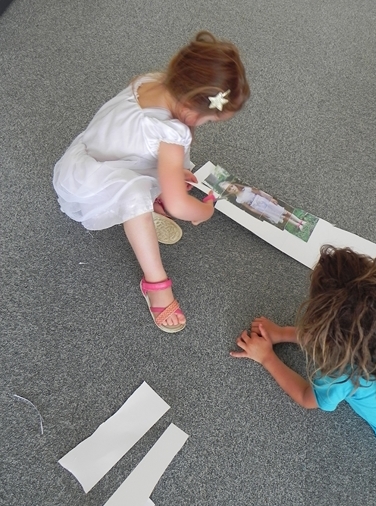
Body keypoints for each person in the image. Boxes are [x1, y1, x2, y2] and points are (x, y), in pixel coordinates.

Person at [53, 31, 250, 333]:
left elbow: (134, 141)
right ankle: (155, 283)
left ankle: (155, 191)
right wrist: (203, 211)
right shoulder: (171, 132)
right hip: (89, 183)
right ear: (191, 109)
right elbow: (178, 206)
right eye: (209, 120)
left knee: (165, 171)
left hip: (90, 157)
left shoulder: (153, 81)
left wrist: (170, 174)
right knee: (137, 195)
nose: (205, 125)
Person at [231, 245, 376, 466]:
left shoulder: (341, 375)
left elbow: (306, 397)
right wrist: (282, 333)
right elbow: (333, 334)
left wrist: (267, 357)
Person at [219, 182, 305, 229]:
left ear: (234, 184)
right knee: (280, 216)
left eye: (232, 186)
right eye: (229, 189)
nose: (232, 188)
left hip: (264, 201)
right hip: (260, 208)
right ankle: (297, 225)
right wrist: (261, 213)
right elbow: (250, 208)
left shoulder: (246, 189)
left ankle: (299, 220)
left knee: (282, 211)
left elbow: (259, 192)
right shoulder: (239, 200)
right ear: (228, 192)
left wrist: (270, 198)